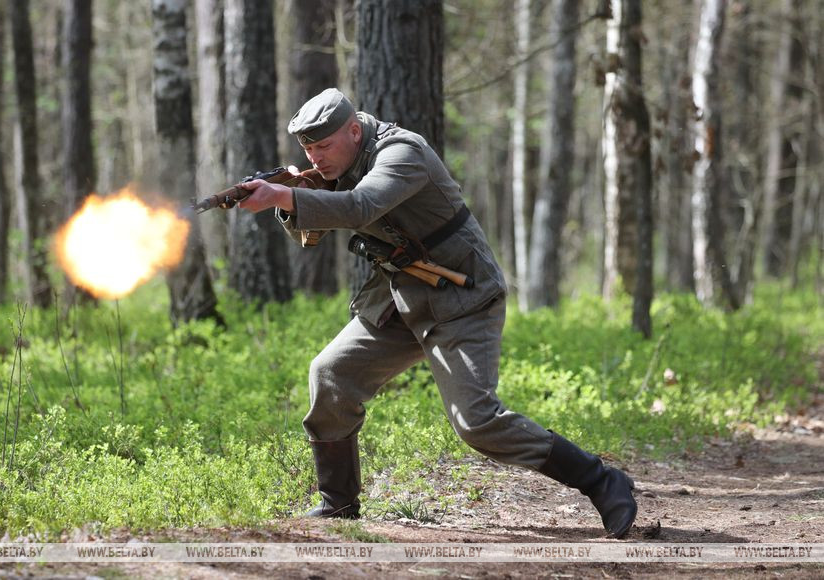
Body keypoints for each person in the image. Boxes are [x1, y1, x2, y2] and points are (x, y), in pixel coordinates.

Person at [236, 88, 637, 538]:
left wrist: (282, 198)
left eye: (323, 146)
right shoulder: (340, 162)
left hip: (463, 296)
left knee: (477, 422)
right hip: (400, 298)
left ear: (353, 130)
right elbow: (314, 234)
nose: (316, 156)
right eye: (308, 148)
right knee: (330, 373)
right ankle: (338, 504)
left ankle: (602, 482)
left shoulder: (402, 152)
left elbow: (361, 206)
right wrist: (293, 195)